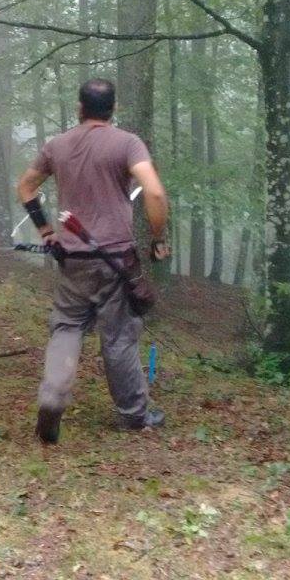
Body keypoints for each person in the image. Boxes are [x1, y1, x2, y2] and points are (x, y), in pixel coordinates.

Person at [15, 78, 171, 444]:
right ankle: (134, 415)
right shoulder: (127, 143)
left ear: (79, 108)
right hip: (116, 261)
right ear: (113, 109)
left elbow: (25, 187)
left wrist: (47, 232)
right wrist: (159, 240)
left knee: (67, 328)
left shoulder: (57, 145)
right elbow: (154, 192)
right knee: (118, 337)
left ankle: (53, 396)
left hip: (72, 259)